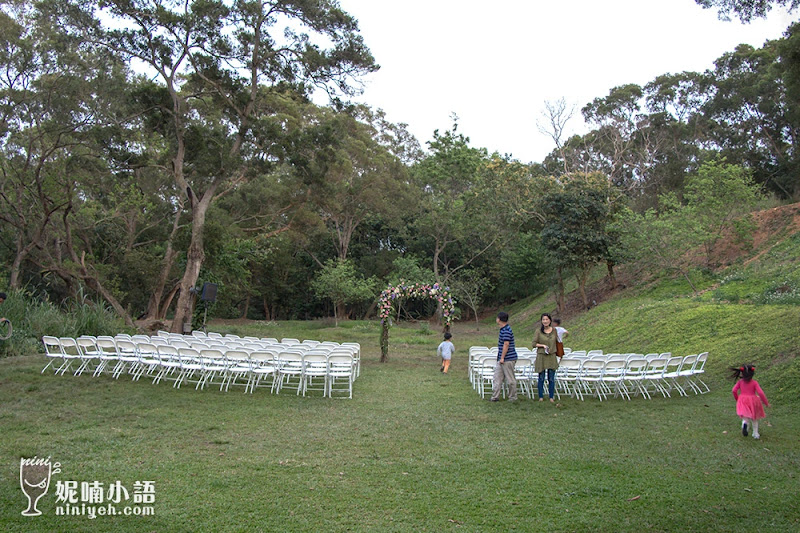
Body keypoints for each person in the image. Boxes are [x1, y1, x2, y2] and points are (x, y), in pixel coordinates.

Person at [731, 364, 770, 439]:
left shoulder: (740, 382)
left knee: (745, 418)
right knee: (755, 418)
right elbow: (760, 393)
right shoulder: (754, 383)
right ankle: (755, 434)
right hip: (753, 400)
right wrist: (766, 403)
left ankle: (745, 425)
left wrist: (737, 399)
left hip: (742, 400)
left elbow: (734, 390)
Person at [490, 311, 517, 402]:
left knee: (510, 379)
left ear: (499, 319)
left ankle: (512, 397)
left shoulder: (506, 330)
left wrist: (502, 357)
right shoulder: (503, 329)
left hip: (508, 358)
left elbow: (506, 344)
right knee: (497, 377)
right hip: (501, 358)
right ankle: (495, 396)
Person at [532, 313, 559, 402]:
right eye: (543, 319)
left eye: (547, 319)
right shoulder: (538, 331)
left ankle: (551, 397)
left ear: (550, 320)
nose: (545, 321)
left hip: (551, 356)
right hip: (541, 355)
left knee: (551, 377)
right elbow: (533, 344)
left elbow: (558, 341)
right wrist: (542, 345)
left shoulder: (554, 331)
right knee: (541, 377)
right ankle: (541, 396)